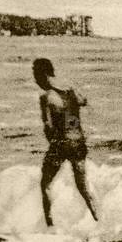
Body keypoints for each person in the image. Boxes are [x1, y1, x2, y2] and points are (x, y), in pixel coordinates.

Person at [34, 58, 98, 227]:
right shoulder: (71, 92)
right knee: (83, 187)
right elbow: (84, 101)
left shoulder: (46, 98)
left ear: (45, 75)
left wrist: (53, 145)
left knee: (45, 184)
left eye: (37, 76)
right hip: (78, 143)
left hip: (61, 144)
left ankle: (51, 228)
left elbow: (48, 126)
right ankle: (98, 219)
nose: (36, 80)